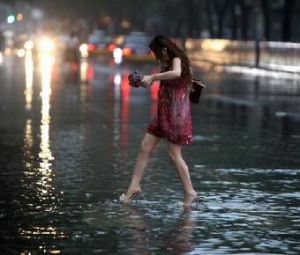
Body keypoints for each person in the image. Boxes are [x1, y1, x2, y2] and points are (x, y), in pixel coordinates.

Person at [119, 35, 197, 207]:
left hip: (176, 114)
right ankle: (134, 186)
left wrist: (153, 77)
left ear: (164, 50)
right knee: (144, 147)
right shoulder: (166, 63)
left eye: (157, 54)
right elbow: (168, 79)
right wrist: (145, 81)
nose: (157, 58)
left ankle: (189, 192)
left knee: (174, 154)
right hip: (163, 111)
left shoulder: (176, 60)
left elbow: (176, 74)